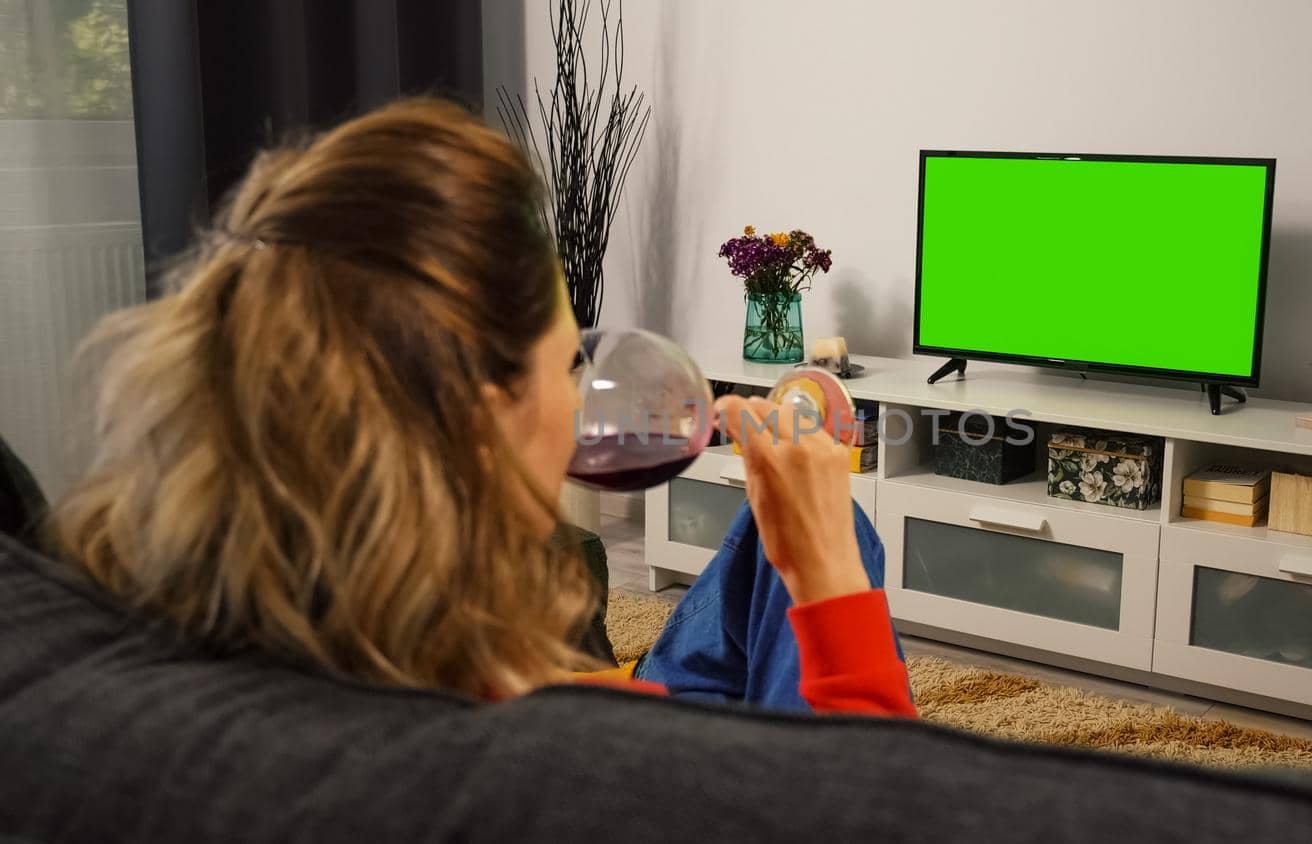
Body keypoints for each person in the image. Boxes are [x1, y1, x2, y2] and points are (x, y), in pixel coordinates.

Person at [46, 98, 914, 718]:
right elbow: (876, 809)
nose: (580, 397)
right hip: (694, 765)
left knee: (775, 531)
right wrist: (832, 577)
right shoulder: (538, 757)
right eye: (566, 362)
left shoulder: (176, 636)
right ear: (483, 413)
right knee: (836, 521)